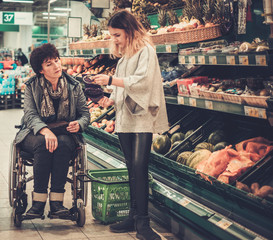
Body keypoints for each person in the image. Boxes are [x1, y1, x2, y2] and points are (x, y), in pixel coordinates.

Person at [92, 10, 169, 240]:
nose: (114, 39)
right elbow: (121, 87)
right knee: (130, 168)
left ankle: (144, 223)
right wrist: (110, 98)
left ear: (129, 30)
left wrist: (110, 80)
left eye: (117, 35)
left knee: (139, 168)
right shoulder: (125, 57)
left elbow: (143, 82)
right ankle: (134, 216)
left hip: (142, 118)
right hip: (125, 118)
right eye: (112, 35)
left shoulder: (146, 51)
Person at [15, 43, 90, 218]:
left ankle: (57, 203)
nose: (56, 66)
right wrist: (45, 130)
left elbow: (85, 114)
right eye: (49, 64)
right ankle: (38, 203)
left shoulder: (74, 85)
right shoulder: (32, 86)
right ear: (40, 70)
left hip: (65, 133)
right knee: (43, 143)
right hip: (34, 133)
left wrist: (79, 124)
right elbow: (30, 115)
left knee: (63, 144)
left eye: (57, 60)